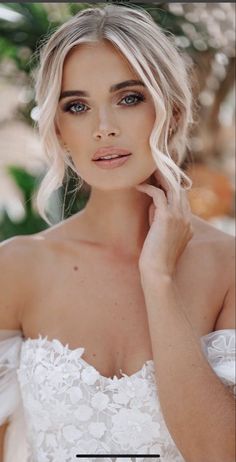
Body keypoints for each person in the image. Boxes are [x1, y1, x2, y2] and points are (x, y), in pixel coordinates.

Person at [0, 4, 235, 462]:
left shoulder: (228, 267)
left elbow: (219, 453)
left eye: (129, 98)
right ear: (59, 128)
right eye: (78, 106)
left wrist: (159, 282)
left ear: (172, 109)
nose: (103, 128)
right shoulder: (17, 267)